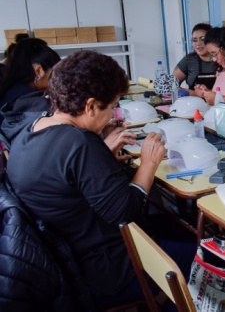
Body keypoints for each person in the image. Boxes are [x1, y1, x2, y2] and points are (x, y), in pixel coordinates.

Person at [6, 50, 196, 309]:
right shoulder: (79, 143)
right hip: (106, 269)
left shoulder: (30, 132)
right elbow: (126, 210)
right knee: (204, 259)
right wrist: (149, 163)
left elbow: (64, 178)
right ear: (91, 105)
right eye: (112, 106)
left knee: (180, 228)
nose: (113, 115)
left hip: (68, 258)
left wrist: (102, 156)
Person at [0, 38, 59, 110]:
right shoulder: (32, 101)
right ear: (38, 71)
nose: (56, 80)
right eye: (53, 74)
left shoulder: (12, 90)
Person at [172, 23, 217, 95]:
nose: (198, 44)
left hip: (220, 104)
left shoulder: (221, 59)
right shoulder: (189, 60)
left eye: (203, 39)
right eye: (195, 40)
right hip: (194, 104)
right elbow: (172, 86)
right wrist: (196, 94)